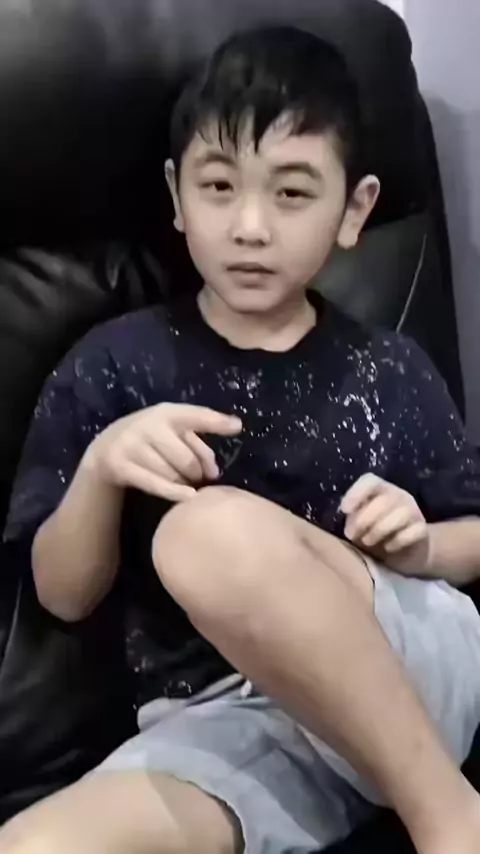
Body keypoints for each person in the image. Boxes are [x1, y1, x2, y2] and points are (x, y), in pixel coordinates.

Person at [2, 24, 480, 854]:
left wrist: (422, 546)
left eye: (291, 193)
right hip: (233, 727)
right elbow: (63, 596)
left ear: (354, 209)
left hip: (403, 660)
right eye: (219, 186)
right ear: (177, 195)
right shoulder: (113, 366)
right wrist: (104, 469)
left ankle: (450, 817)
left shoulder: (389, 368)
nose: (250, 226)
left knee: (205, 532)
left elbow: (472, 538)